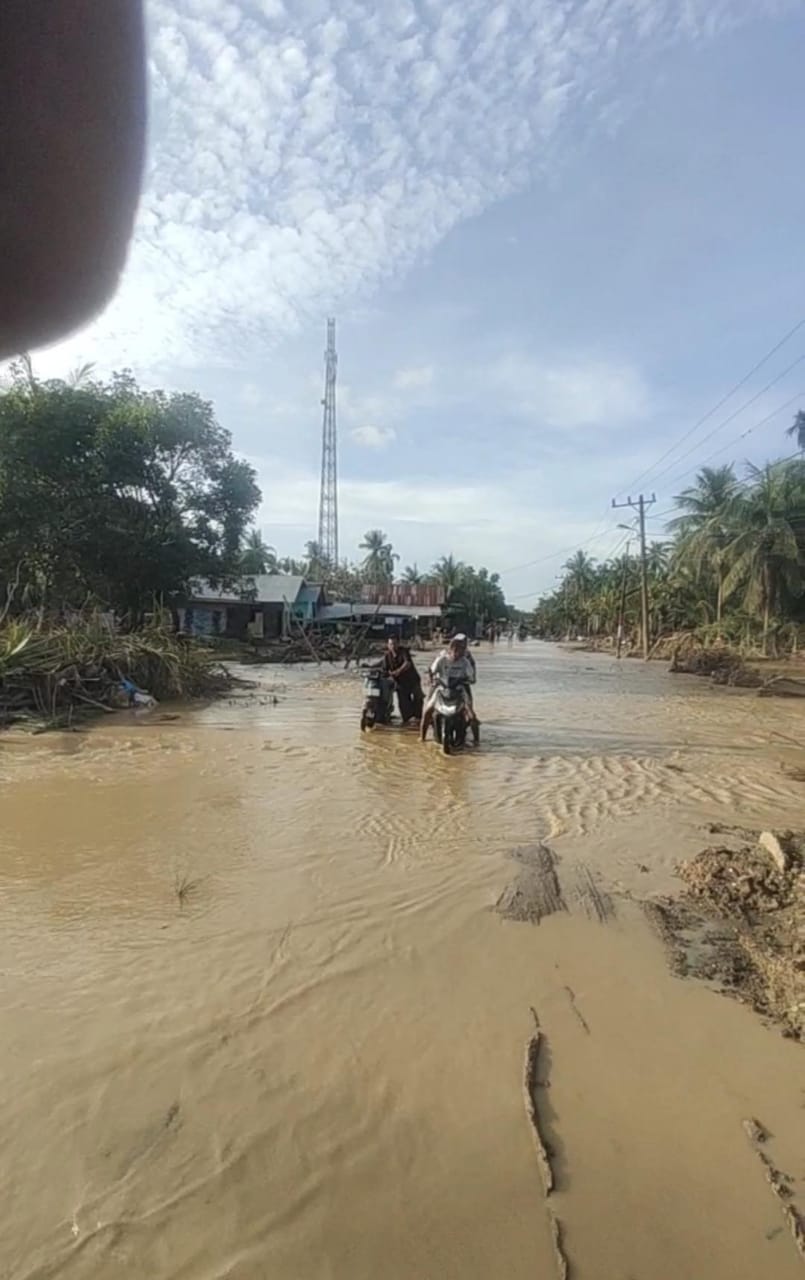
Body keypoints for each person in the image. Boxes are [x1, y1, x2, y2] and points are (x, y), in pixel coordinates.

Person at [420, 634, 479, 744]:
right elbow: (431, 670)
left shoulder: (466, 659)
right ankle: (422, 737)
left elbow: (472, 676)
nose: (457, 651)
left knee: (471, 714)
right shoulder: (442, 657)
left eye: (461, 646)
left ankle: (476, 740)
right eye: (455, 647)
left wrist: (469, 679)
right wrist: (430, 678)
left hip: (460, 686)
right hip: (441, 686)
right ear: (450, 648)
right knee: (427, 710)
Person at [381, 635, 423, 724]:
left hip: (413, 680)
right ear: (388, 645)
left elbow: (407, 663)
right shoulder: (387, 656)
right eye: (391, 644)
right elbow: (383, 668)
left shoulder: (404, 652)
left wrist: (397, 672)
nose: (393, 646)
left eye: (395, 644)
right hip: (400, 683)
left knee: (418, 699)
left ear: (398, 644)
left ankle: (419, 719)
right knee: (403, 704)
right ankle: (407, 722)